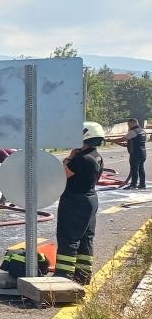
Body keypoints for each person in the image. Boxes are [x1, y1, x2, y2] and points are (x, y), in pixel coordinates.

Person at [54, 121, 105, 285]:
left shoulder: (82, 159)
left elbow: (62, 175)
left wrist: (69, 158)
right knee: (85, 238)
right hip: (90, 199)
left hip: (75, 201)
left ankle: (63, 276)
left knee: (68, 238)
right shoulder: (96, 156)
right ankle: (82, 276)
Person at [109, 118, 146, 190]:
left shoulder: (133, 132)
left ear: (133, 123)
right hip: (143, 153)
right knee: (141, 169)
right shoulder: (142, 131)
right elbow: (129, 143)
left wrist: (111, 140)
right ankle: (142, 184)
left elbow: (122, 139)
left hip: (135, 154)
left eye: (129, 124)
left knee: (134, 169)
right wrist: (115, 142)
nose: (128, 126)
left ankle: (133, 185)